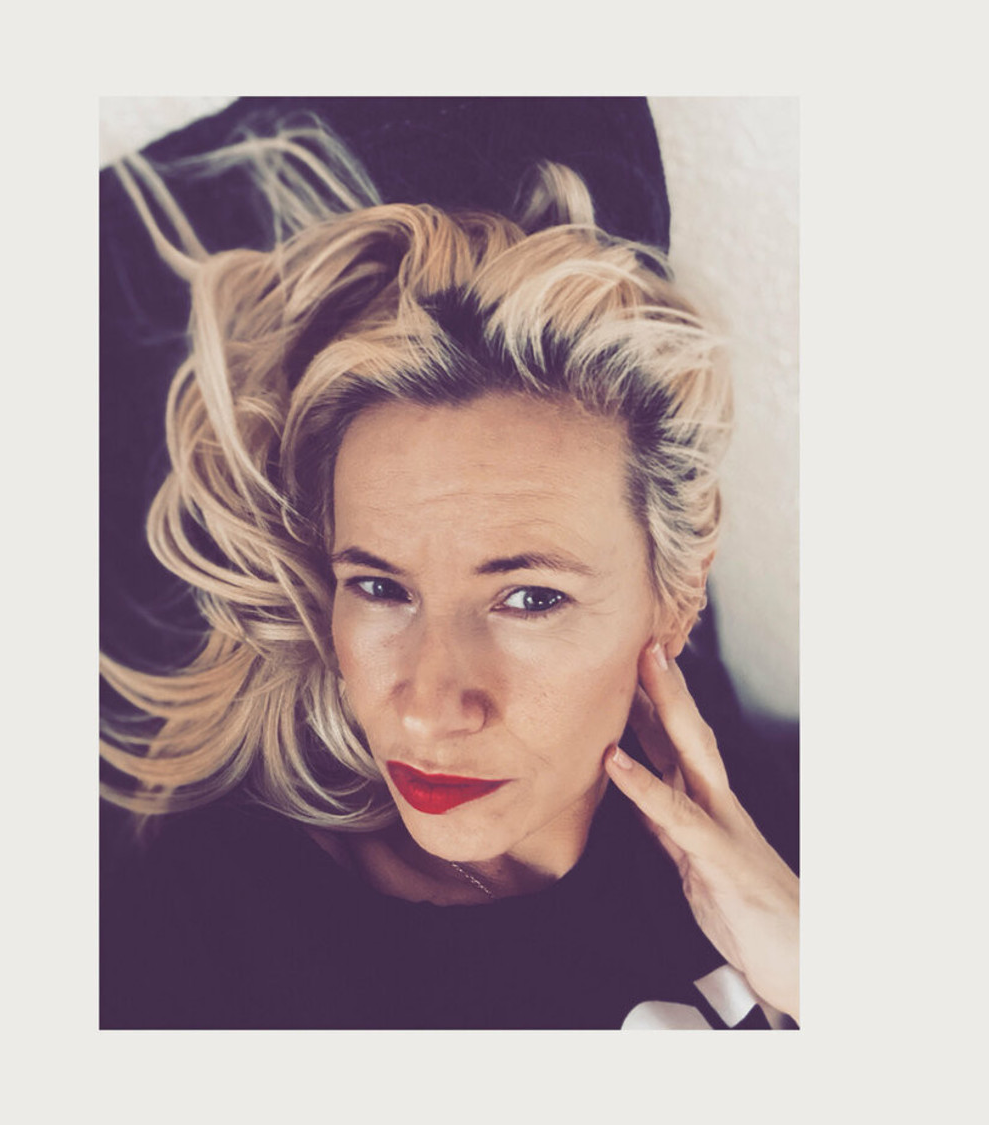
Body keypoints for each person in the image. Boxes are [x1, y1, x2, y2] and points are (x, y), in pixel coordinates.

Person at [100, 105, 799, 1030]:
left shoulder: (795, 827)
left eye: (529, 597)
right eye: (380, 587)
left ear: (676, 596)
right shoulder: (195, 938)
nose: (429, 706)